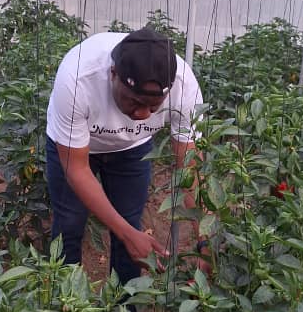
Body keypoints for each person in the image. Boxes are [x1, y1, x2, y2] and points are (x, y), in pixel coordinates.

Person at [46, 26, 203, 285]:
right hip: (75, 147)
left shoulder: (184, 88)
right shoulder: (78, 78)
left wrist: (204, 242)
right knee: (69, 224)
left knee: (130, 224)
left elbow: (189, 168)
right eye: (133, 102)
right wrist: (126, 233)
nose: (142, 114)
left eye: (153, 107)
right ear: (113, 74)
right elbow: (77, 170)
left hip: (132, 148)